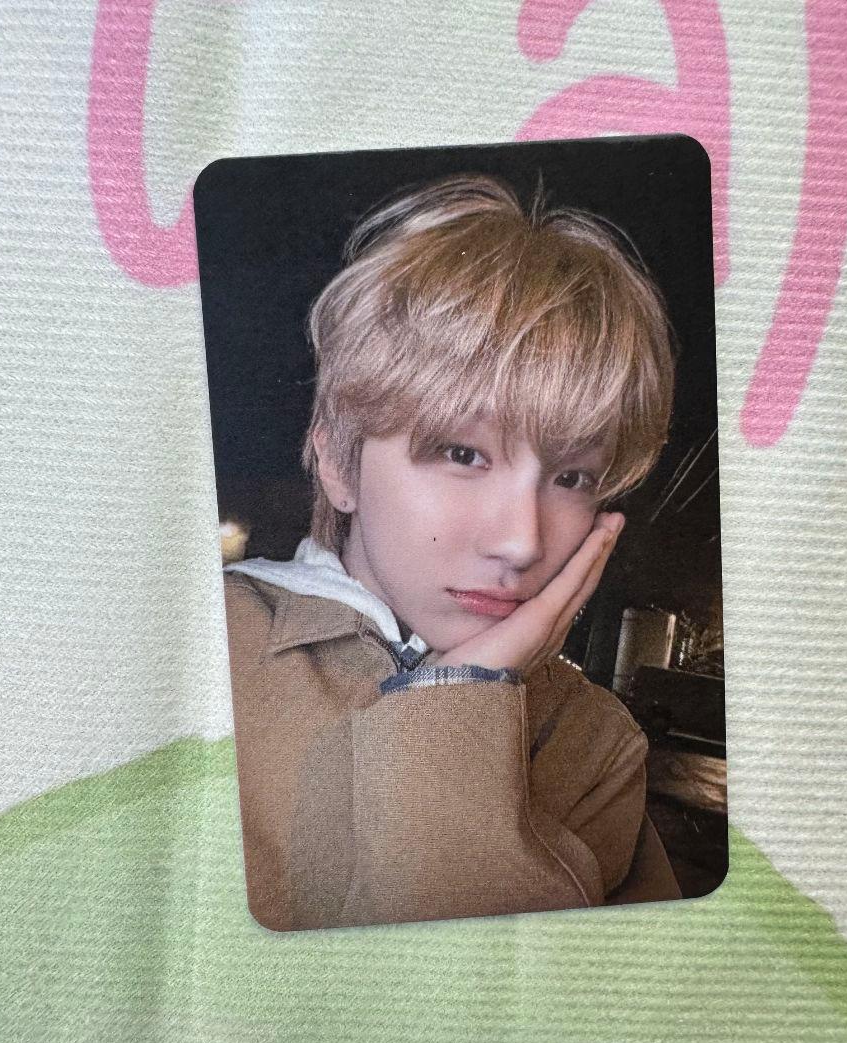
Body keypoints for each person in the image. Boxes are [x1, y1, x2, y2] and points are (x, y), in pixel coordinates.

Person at [223, 174, 680, 931]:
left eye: (571, 477)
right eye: (463, 453)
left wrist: (460, 698)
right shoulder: (208, 652)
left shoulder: (596, 744)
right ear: (338, 462)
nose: (522, 542)